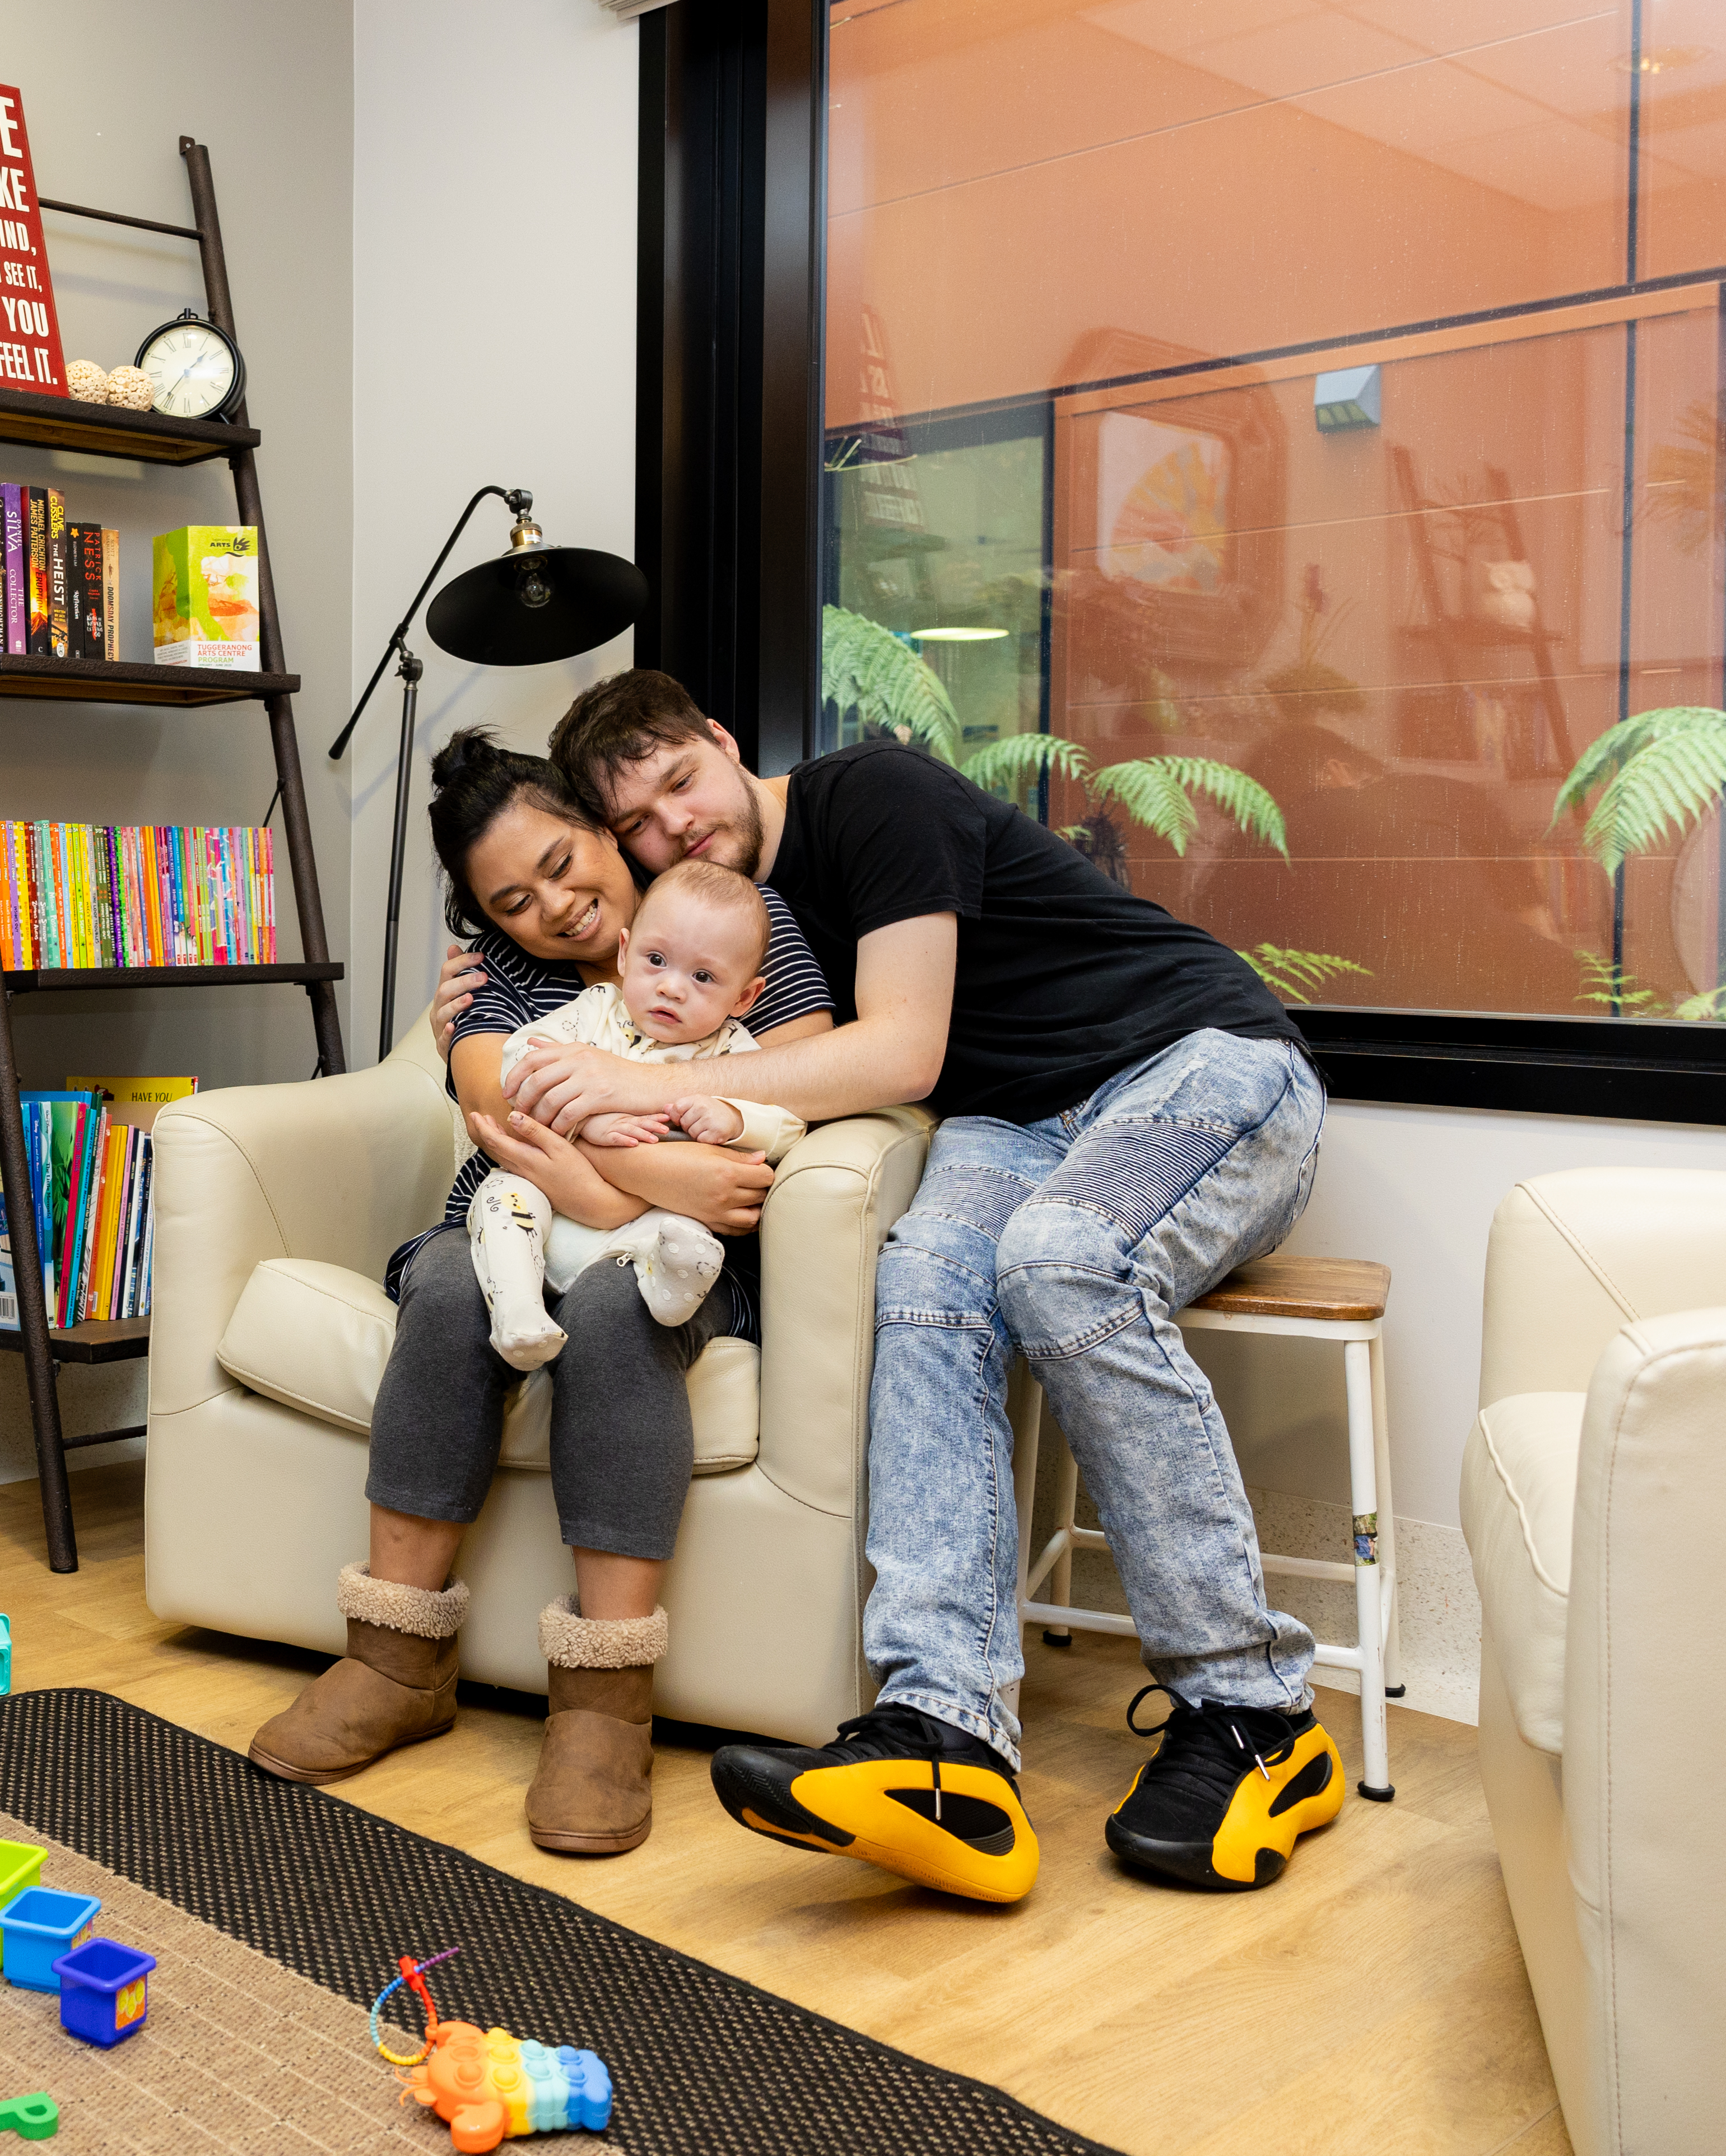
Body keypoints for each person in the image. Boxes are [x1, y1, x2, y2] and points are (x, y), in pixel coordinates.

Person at [480, 668, 1333, 1902]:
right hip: (1009, 1121)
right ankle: (949, 1735)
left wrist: (648, 1095)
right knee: (924, 1283)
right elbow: (607, 962)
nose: (675, 826)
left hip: (1190, 1064)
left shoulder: (871, 796)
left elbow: (900, 1046)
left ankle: (1254, 1712)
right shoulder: (731, 921)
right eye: (642, 824)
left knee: (1057, 1263)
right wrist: (477, 977)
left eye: (680, 781)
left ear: (724, 742)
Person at [246, 732, 834, 1855]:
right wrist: (625, 1174)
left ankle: (603, 1704)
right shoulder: (504, 978)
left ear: (606, 829)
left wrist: (605, 1191)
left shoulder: (736, 920)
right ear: (487, 920)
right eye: (513, 901)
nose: (557, 909)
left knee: (617, 1309)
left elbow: (775, 1114)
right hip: (509, 1220)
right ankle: (392, 1658)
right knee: (452, 1284)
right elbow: (493, 1111)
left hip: (675, 1255)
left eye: (566, 863)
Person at [468, 859, 805, 1367]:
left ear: (744, 996)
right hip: (550, 1210)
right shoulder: (596, 1009)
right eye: (656, 960)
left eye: (704, 976)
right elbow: (520, 1061)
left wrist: (735, 1120)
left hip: (643, 1224)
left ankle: (670, 1288)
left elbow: (790, 1124)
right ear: (625, 953)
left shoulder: (734, 1052)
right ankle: (517, 1311)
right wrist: (589, 1122)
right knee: (500, 1197)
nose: (672, 986)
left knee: (681, 1232)